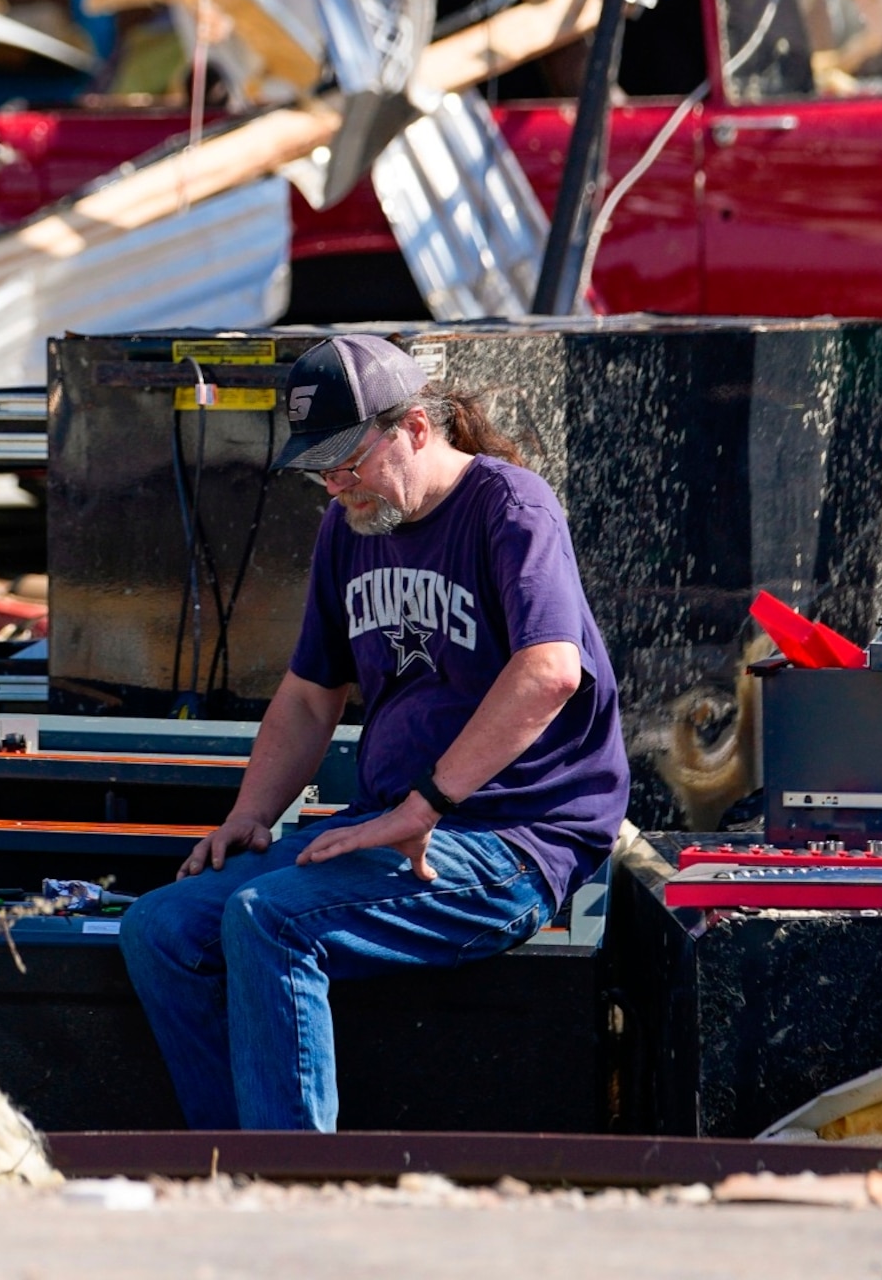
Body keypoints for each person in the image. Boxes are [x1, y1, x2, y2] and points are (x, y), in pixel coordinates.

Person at [116, 333, 628, 1132]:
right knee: (161, 926)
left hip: (512, 840)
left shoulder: (511, 505)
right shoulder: (351, 527)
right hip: (395, 822)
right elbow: (309, 696)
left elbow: (550, 671)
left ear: (416, 428)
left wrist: (422, 807)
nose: (334, 486)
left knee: (270, 920)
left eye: (347, 462)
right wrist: (250, 816)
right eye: (319, 470)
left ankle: (292, 1193)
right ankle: (225, 1176)